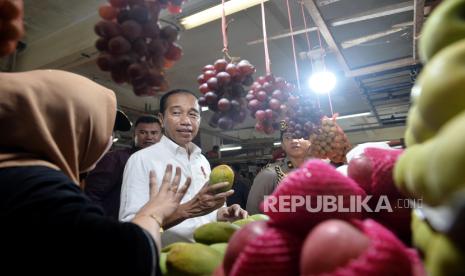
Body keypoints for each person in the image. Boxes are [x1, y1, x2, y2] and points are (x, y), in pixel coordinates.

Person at [0, 70, 190, 275]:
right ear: (64, 127)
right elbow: (123, 258)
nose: (107, 140)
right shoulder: (36, 190)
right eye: (94, 128)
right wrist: (153, 213)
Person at [120, 89, 248, 245]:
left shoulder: (202, 161)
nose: (186, 121)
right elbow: (130, 229)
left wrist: (222, 214)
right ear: (161, 119)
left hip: (206, 255)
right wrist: (186, 210)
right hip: (167, 260)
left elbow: (207, 213)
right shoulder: (141, 160)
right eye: (176, 113)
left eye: (193, 114)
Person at [85, 115, 163, 219]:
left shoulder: (163, 163)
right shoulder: (115, 159)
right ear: (133, 135)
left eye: (154, 133)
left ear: (161, 136)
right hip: (114, 226)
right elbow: (92, 194)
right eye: (143, 132)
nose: (149, 137)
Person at [246, 121, 311, 215]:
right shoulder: (270, 175)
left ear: (310, 141)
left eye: (299, 135)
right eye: (288, 137)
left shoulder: (322, 173)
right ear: (283, 145)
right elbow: (252, 214)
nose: (294, 140)